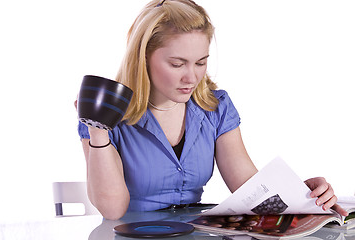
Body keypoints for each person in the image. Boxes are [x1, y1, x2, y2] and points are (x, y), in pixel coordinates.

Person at [77, 0, 347, 220]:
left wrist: (302, 195)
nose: (191, 78)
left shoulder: (215, 108)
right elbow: (112, 210)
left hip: (197, 233)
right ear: (143, 58)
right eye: (177, 63)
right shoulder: (107, 116)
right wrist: (97, 132)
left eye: (200, 62)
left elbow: (249, 190)